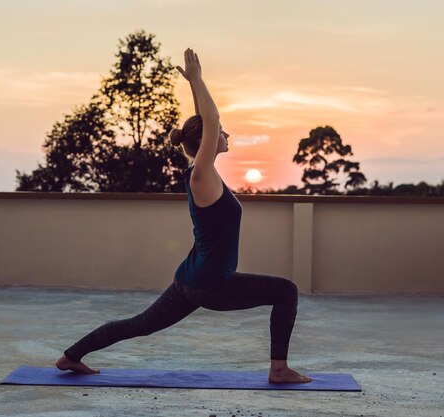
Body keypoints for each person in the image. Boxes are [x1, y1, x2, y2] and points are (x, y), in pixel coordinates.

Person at [55, 48, 312, 384]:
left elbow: (206, 123)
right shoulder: (200, 174)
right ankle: (279, 369)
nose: (226, 134)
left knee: (138, 325)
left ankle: (69, 357)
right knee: (286, 291)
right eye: (222, 133)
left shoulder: (202, 172)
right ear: (207, 140)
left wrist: (193, 85)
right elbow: (212, 122)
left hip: (189, 280)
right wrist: (199, 80)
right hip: (211, 284)